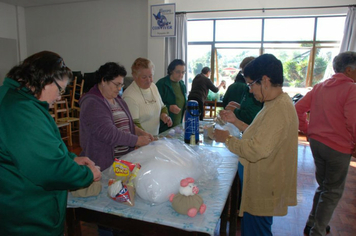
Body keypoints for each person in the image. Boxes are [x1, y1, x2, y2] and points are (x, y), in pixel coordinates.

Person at [0, 51, 101, 235]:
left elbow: (44, 145)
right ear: (45, 81)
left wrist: (71, 158)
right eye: (60, 89)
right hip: (26, 218)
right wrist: (86, 174)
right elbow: (49, 169)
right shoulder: (20, 111)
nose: (60, 97)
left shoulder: (20, 100)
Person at [214, 54, 298, 236]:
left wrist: (226, 139)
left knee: (257, 231)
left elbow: (255, 149)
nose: (250, 90)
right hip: (261, 182)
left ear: (265, 81)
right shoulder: (273, 103)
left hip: (264, 186)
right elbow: (259, 135)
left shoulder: (279, 110)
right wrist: (236, 121)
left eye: (251, 84)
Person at [295, 51, 356, 236]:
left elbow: (298, 109)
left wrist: (307, 130)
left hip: (317, 143)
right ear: (348, 70)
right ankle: (318, 231)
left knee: (324, 185)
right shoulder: (352, 89)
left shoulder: (320, 87)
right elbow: (353, 121)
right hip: (338, 146)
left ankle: (313, 220)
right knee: (332, 190)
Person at [79, 62, 154, 171]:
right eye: (117, 84)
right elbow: (109, 133)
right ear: (104, 80)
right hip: (104, 164)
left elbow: (125, 124)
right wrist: (137, 140)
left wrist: (139, 132)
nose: (119, 88)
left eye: (121, 85)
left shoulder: (118, 100)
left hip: (123, 162)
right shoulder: (92, 103)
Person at [122, 57, 172, 135]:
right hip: (140, 143)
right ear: (135, 76)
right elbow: (134, 126)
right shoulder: (129, 96)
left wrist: (164, 116)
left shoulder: (153, 86)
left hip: (153, 139)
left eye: (150, 76)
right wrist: (150, 138)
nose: (149, 80)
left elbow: (162, 107)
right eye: (144, 77)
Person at [156, 59, 187, 133]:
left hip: (177, 126)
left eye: (183, 72)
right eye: (178, 72)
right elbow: (154, 105)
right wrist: (169, 107)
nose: (181, 75)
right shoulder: (161, 84)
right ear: (171, 71)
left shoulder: (182, 84)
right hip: (164, 127)